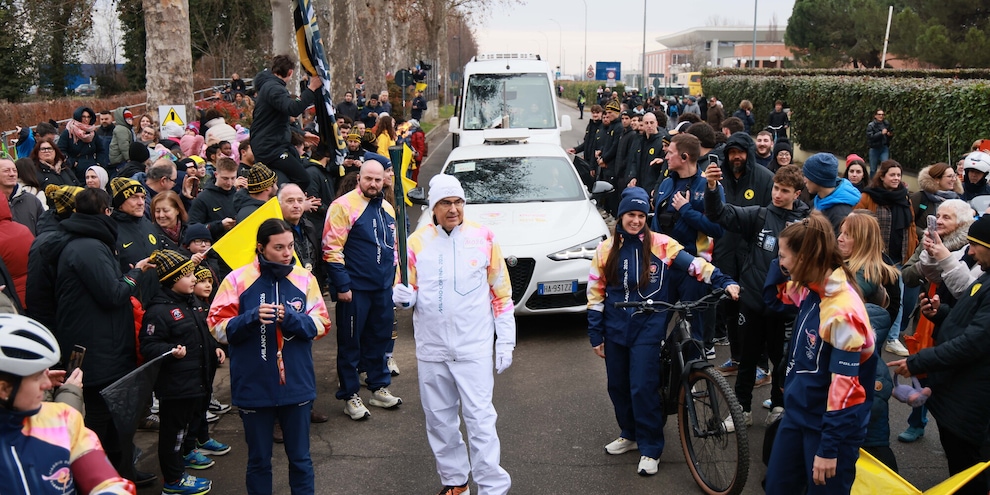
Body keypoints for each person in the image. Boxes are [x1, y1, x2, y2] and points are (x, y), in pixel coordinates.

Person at [589, 186, 739, 476]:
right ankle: (629, 434)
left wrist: (723, 280)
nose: (635, 220)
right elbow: (595, 295)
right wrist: (596, 335)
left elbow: (695, 265)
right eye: (630, 215)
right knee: (617, 386)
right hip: (615, 327)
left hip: (649, 327)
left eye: (641, 215)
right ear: (620, 216)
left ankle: (650, 448)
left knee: (642, 387)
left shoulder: (662, 244)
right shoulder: (605, 250)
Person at [392, 174, 517, 494]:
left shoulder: (484, 238)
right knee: (439, 420)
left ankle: (492, 487)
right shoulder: (416, 243)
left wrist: (505, 340)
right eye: (446, 203)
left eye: (458, 202)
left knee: (480, 422)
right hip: (432, 348)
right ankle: (455, 482)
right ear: (434, 207)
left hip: (472, 347)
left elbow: (501, 294)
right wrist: (403, 298)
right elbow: (408, 292)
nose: (453, 208)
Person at [208, 218, 329, 495]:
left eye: (289, 246)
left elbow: (322, 325)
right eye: (279, 247)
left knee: (300, 460)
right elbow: (216, 327)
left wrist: (292, 319)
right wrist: (250, 318)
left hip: (296, 386)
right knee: (259, 461)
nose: (287, 253)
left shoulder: (304, 278)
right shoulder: (236, 279)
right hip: (254, 387)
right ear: (261, 248)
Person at [763, 211, 875, 494]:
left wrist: (828, 448)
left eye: (784, 255)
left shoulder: (843, 311)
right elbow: (773, 295)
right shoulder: (811, 288)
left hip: (827, 430)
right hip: (797, 416)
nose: (780, 261)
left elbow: (846, 391)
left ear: (805, 258)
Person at [54, 187, 157, 487]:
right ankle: (102, 481)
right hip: (98, 350)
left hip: (103, 344)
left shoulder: (89, 243)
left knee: (114, 419)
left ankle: (122, 473)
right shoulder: (88, 247)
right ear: (106, 212)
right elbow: (113, 293)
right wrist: (135, 275)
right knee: (101, 417)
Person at [888, 214, 990, 495]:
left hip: (971, 402)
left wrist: (917, 361)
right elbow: (970, 321)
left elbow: (973, 341)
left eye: (975, 246)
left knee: (969, 471)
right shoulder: (987, 278)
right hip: (960, 397)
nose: (969, 252)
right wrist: (941, 314)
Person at [705, 164, 809, 430]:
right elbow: (721, 214)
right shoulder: (760, 215)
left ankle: (778, 406)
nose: (777, 194)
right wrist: (713, 188)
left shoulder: (807, 224)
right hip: (753, 303)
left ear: (797, 193)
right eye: (775, 188)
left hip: (786, 308)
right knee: (747, 359)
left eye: (784, 191)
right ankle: (742, 409)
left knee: (782, 360)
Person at [0, 314, 137, 494]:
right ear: (4, 390)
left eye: (45, 372)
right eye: (36, 377)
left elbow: (108, 483)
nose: (48, 384)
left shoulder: (63, 418)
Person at [140, 249, 226, 494]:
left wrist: (215, 348)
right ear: (171, 279)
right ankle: (173, 481)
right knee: (173, 433)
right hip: (176, 386)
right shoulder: (158, 311)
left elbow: (202, 335)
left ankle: (182, 466)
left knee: (185, 429)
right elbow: (148, 345)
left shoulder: (193, 305)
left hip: (196, 382)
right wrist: (169, 350)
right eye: (187, 276)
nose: (193, 280)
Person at [322, 159, 402, 420]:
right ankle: (350, 395)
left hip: (382, 288)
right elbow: (331, 249)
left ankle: (379, 387)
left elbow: (394, 249)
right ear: (359, 178)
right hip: (355, 290)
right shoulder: (343, 206)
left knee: (379, 340)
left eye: (378, 180)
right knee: (351, 344)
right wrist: (342, 285)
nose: (373, 184)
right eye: (368, 178)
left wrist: (396, 282)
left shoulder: (388, 208)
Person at [898, 199, 977, 444]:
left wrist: (944, 258)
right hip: (929, 312)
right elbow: (908, 276)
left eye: (947, 217)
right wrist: (927, 257)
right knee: (921, 365)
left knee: (947, 372)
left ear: (962, 223)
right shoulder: (928, 240)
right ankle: (916, 420)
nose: (939, 221)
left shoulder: (972, 247)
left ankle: (949, 425)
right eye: (938, 215)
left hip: (955, 318)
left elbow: (967, 289)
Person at [837, 212, 901, 470]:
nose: (839, 238)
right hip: (872, 369)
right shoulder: (883, 270)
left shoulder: (858, 276)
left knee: (869, 443)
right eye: (840, 232)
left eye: (846, 234)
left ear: (861, 241)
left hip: (858, 370)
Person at [251, 54, 320, 189]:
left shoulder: (269, 87)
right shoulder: (274, 88)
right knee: (303, 178)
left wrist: (301, 133)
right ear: (290, 72)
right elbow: (293, 108)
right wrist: (311, 89)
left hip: (270, 145)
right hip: (270, 149)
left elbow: (275, 124)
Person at [802, 152, 862, 235]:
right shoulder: (816, 201)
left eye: (807, 176)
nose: (804, 180)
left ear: (818, 179)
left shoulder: (840, 214)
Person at [188, 157, 238, 241]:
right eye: (225, 178)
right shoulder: (202, 198)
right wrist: (220, 225)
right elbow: (192, 228)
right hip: (215, 246)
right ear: (216, 174)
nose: (229, 183)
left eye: (233, 178)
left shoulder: (239, 195)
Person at [910, 163, 961, 241]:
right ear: (937, 179)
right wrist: (926, 235)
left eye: (954, 176)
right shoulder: (920, 197)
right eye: (949, 176)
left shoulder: (957, 200)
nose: (954, 179)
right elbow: (909, 223)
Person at [866, 109, 893, 177]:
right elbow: (871, 137)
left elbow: (888, 136)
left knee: (885, 167)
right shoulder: (871, 125)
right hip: (874, 148)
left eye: (882, 114)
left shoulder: (886, 124)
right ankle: (872, 185)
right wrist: (881, 133)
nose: (881, 116)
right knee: (873, 169)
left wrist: (889, 135)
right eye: (879, 114)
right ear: (875, 116)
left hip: (884, 148)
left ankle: (882, 183)